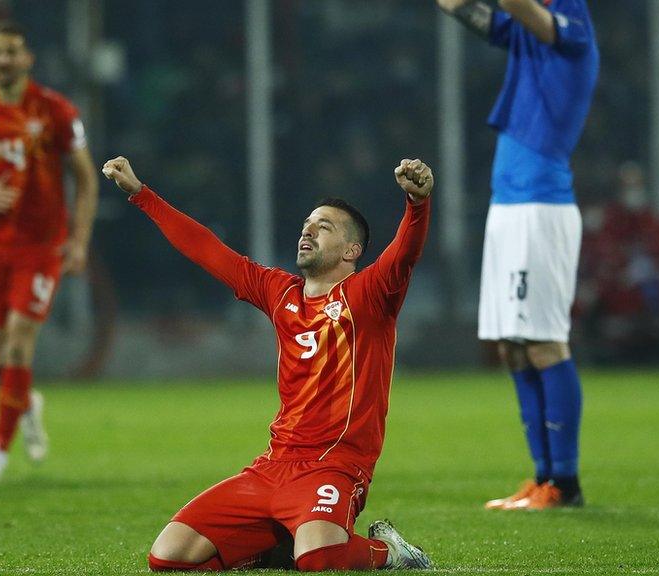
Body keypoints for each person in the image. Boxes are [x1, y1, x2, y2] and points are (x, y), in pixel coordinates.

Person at [102, 156, 434, 571]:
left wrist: (416, 204)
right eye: (307, 224)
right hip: (272, 466)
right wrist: (140, 194)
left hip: (333, 466)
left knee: (320, 559)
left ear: (352, 251)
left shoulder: (370, 295)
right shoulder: (280, 293)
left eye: (324, 226)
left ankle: (391, 554)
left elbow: (404, 255)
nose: (308, 230)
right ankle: (279, 548)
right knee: (168, 558)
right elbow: (208, 250)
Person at [436, 0, 598, 509]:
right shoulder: (527, 35)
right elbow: (461, 6)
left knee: (545, 342)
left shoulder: (572, 30)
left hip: (540, 208)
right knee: (511, 346)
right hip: (509, 208)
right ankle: (542, 478)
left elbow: (516, 8)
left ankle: (565, 483)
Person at [0, 21, 99, 481]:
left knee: (20, 346)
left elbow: (84, 178)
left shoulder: (55, 110)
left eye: (12, 52)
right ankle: (26, 403)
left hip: (40, 248)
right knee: (4, 355)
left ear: (27, 60)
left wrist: (79, 241)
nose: (3, 60)